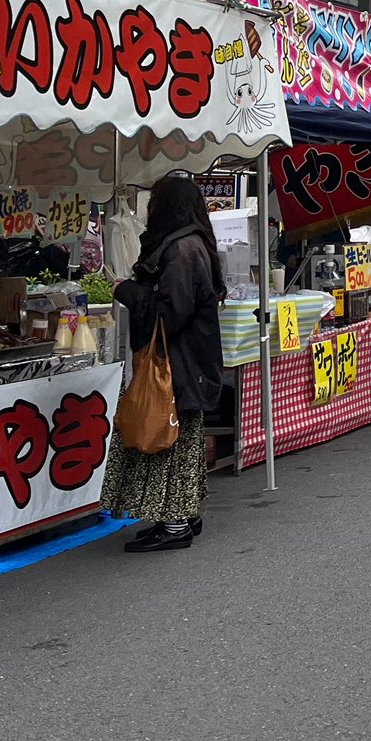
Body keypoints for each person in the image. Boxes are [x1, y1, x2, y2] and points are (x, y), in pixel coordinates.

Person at [102, 175, 230, 552]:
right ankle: (182, 515)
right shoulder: (194, 244)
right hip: (188, 361)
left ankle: (174, 523)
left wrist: (126, 290)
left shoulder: (180, 250)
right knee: (180, 437)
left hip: (176, 362)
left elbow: (169, 313)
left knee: (164, 437)